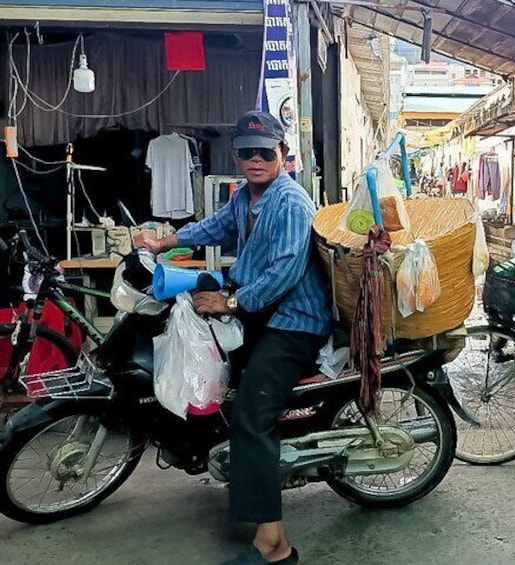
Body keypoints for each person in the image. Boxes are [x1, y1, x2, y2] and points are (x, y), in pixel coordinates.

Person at [136, 110, 330, 564]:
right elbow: (215, 225)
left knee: (250, 415)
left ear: (283, 154)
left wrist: (231, 303)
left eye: (266, 151)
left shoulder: (291, 202)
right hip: (261, 311)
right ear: (236, 155)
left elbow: (284, 271)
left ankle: (274, 545)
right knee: (220, 385)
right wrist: (167, 241)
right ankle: (244, 482)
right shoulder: (246, 196)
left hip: (292, 321)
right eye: (247, 152)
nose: (256, 159)